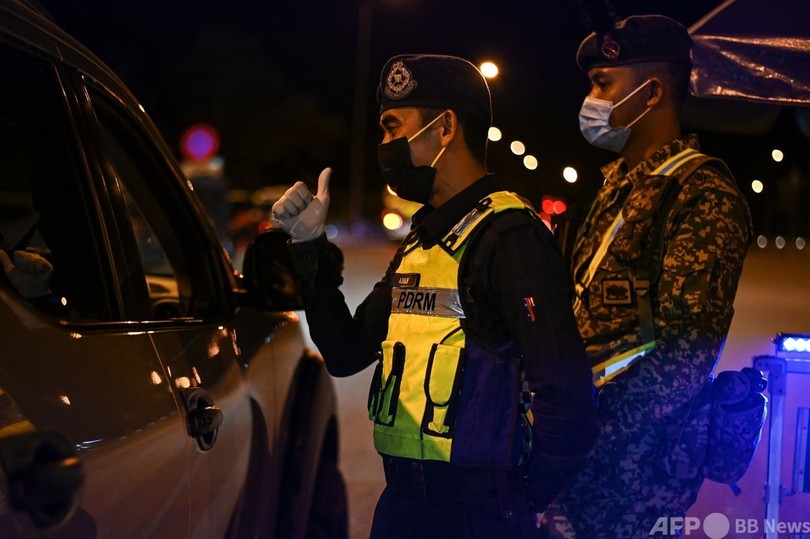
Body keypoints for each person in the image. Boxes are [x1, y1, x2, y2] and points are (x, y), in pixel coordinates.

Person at [272, 54, 597, 538]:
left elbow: (567, 394)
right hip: (403, 507)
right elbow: (344, 352)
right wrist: (309, 246)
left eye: (392, 127)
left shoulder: (510, 238)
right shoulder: (423, 242)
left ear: (444, 128)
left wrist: (520, 498)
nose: (385, 146)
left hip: (478, 514)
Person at [544, 15, 753, 538]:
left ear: (652, 92)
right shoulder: (621, 185)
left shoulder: (701, 194)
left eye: (602, 84)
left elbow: (685, 357)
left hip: (636, 482)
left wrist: (585, 430)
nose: (590, 100)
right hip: (577, 467)